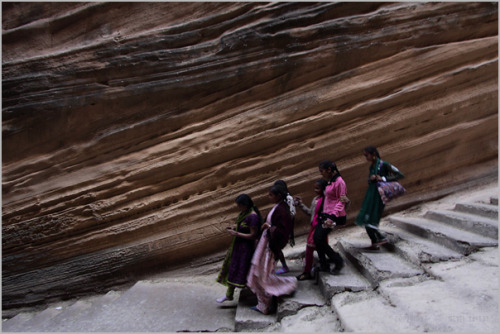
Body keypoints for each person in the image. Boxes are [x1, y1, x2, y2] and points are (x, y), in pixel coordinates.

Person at [246, 185, 298, 314]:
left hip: (269, 246)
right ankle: (262, 304)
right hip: (266, 244)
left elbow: (282, 231)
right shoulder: (279, 207)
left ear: (278, 196)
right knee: (261, 272)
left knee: (264, 274)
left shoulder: (281, 209)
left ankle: (286, 286)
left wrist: (269, 227)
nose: (268, 197)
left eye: (270, 195)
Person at [355, 146, 405, 250]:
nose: (366, 158)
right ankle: (375, 241)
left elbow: (399, 175)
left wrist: (383, 178)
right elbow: (370, 181)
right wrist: (371, 179)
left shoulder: (384, 164)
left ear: (373, 154)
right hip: (371, 193)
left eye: (367, 155)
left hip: (379, 195)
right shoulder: (371, 167)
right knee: (366, 217)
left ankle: (380, 238)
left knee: (370, 218)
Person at [216, 194, 262, 303]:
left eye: (239, 205)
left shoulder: (253, 216)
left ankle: (257, 296)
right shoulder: (244, 213)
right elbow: (243, 227)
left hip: (246, 249)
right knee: (234, 268)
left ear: (245, 205)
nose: (238, 207)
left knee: (243, 270)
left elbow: (253, 235)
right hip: (238, 247)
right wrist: (234, 228)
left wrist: (236, 233)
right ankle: (229, 294)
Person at [314, 160, 348, 275]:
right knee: (317, 238)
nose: (321, 174)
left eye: (322, 171)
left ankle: (337, 260)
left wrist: (332, 217)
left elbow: (341, 201)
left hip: (333, 216)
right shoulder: (330, 182)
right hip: (326, 215)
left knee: (318, 238)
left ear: (329, 170)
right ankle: (324, 264)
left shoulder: (340, 182)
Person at [294, 178, 328, 280]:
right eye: (315, 188)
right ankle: (322, 265)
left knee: (310, 249)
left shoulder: (326, 201)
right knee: (319, 248)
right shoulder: (315, 199)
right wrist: (301, 204)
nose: (315, 190)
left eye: (317, 188)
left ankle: (308, 271)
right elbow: (310, 213)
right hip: (313, 227)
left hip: (319, 228)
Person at [273, 179, 296, 275]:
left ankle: (284, 266)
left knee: (276, 247)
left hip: (284, 226)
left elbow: (292, 213)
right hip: (280, 225)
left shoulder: (288, 198)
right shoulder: (281, 198)